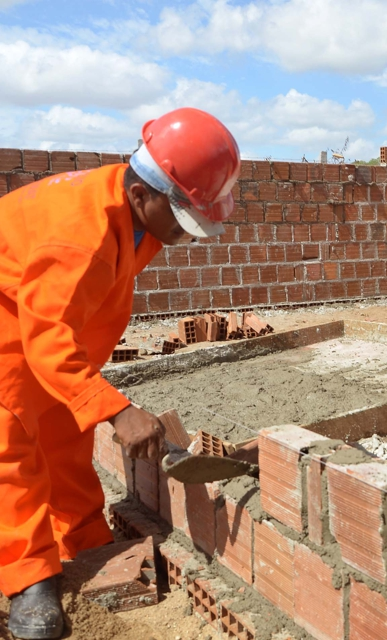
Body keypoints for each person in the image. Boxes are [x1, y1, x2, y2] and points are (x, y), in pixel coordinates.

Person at [0, 108, 240, 639]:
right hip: (10, 328)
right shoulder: (76, 235)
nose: (187, 235)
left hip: (42, 323)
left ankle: (82, 540)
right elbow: (45, 339)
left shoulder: (132, 216)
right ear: (142, 195)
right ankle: (28, 577)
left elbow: (67, 321)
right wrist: (119, 410)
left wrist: (93, 403)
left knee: (66, 433)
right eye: (183, 220)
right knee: (12, 447)